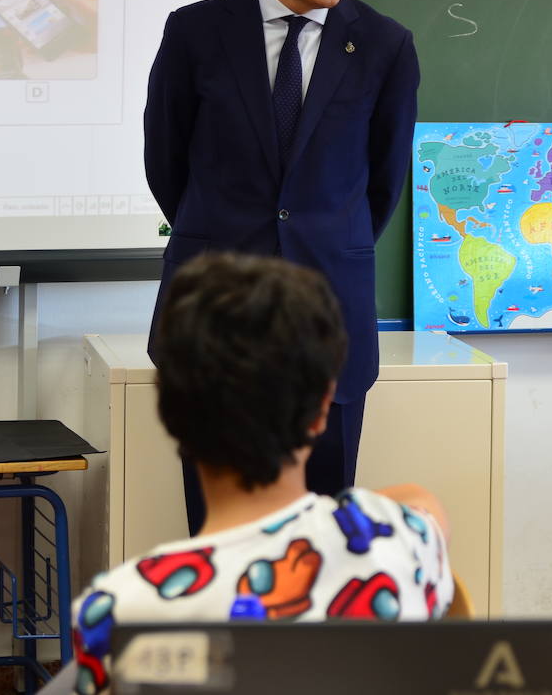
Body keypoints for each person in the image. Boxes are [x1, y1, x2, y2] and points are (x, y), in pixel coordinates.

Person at [143, 0, 419, 532]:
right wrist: (227, 237)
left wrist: (322, 237)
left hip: (331, 325)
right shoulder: (196, 33)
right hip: (216, 318)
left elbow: (382, 183)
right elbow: (165, 163)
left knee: (321, 538)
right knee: (219, 532)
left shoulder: (384, 46)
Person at [67, 252, 452, 695]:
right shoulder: (401, 544)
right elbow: (424, 503)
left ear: (171, 414)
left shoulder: (119, 610)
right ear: (322, 407)